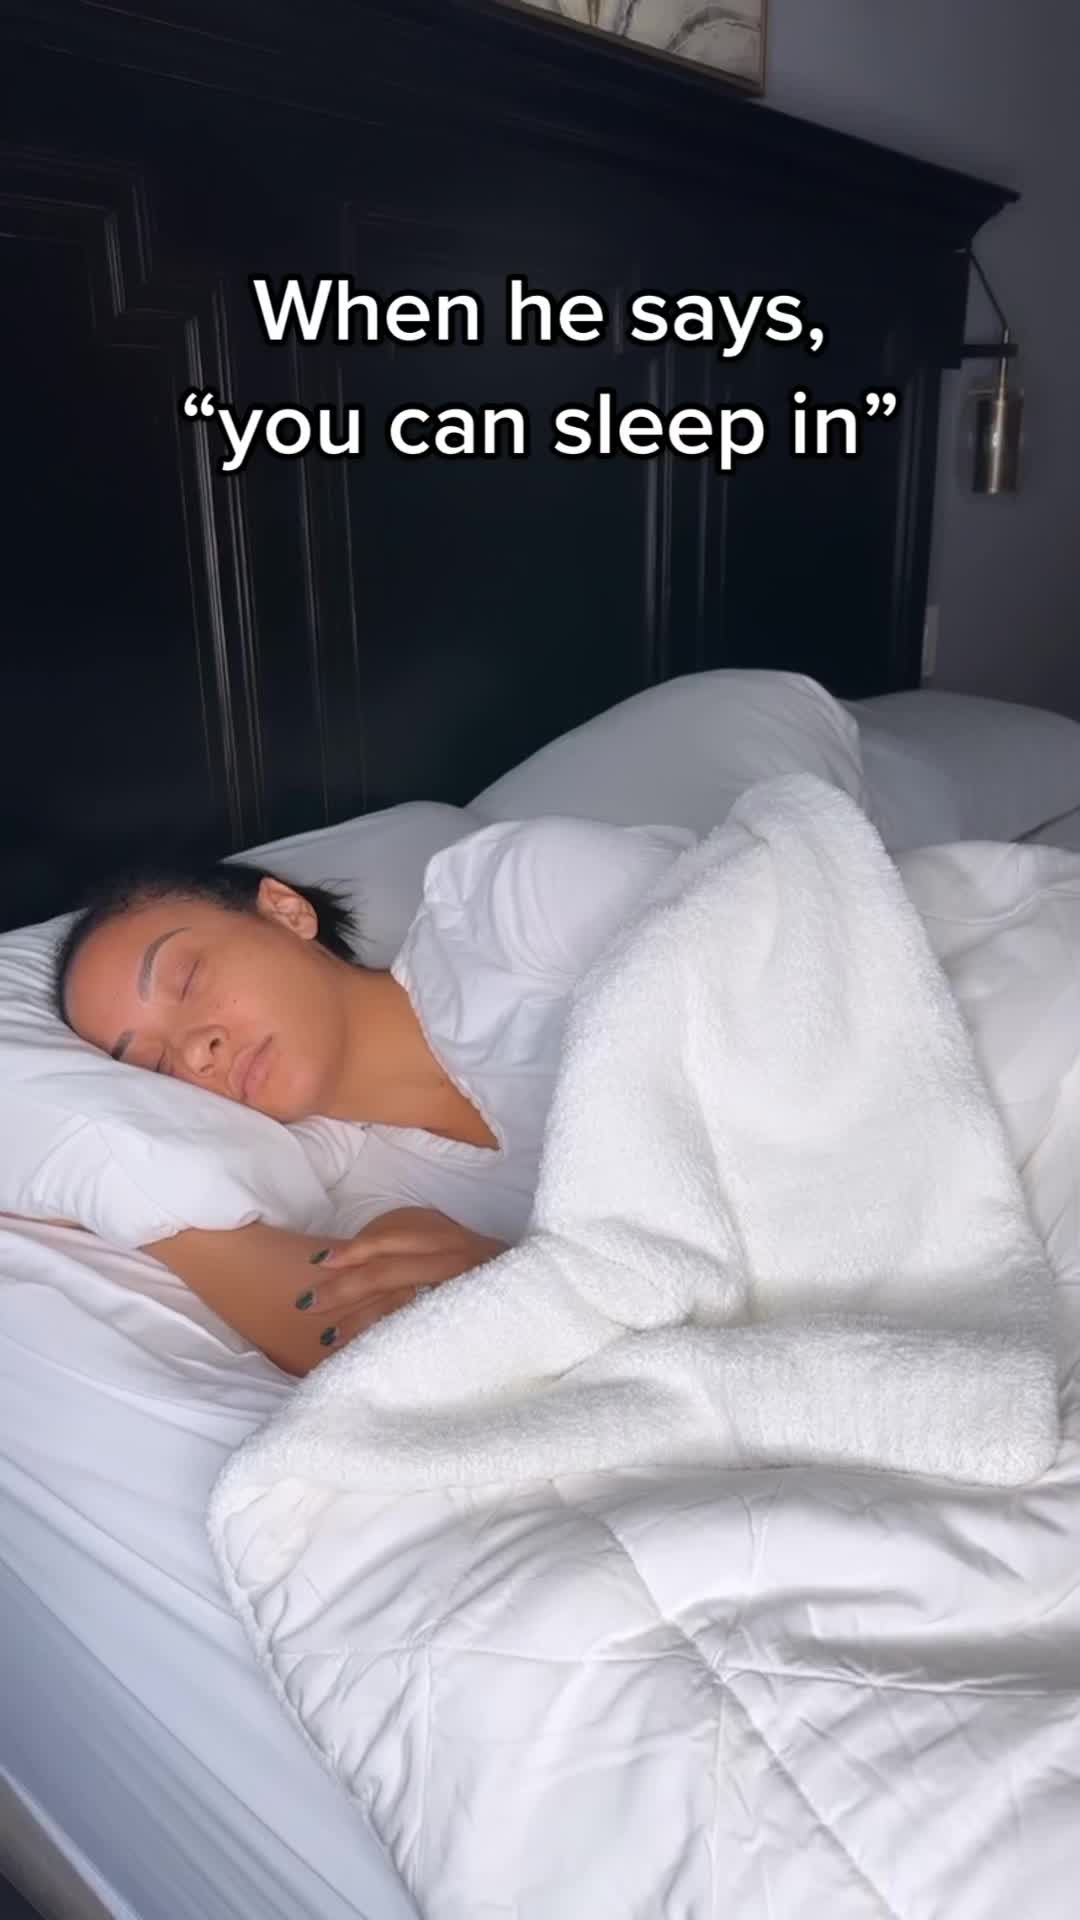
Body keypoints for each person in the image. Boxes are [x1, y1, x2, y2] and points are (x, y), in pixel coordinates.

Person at [55, 816, 693, 1375]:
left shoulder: (510, 904)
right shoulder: (372, 1199)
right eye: (156, 1065)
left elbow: (738, 941)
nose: (197, 1053)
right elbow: (370, 1343)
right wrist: (129, 1204)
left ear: (285, 910)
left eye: (188, 977)